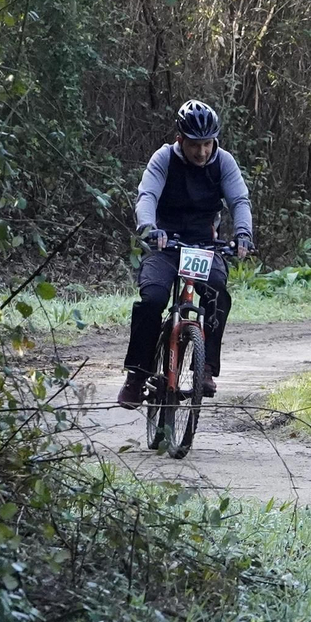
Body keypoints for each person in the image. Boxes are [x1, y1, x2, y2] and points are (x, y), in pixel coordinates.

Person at [117, 99, 255, 409]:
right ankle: (137, 375)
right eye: (195, 144)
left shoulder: (224, 162)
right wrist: (149, 227)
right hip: (164, 242)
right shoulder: (164, 158)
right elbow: (147, 195)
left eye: (207, 143)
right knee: (152, 299)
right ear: (181, 139)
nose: (202, 151)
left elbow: (239, 202)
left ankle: (204, 369)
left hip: (205, 244)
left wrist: (243, 233)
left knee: (217, 294)